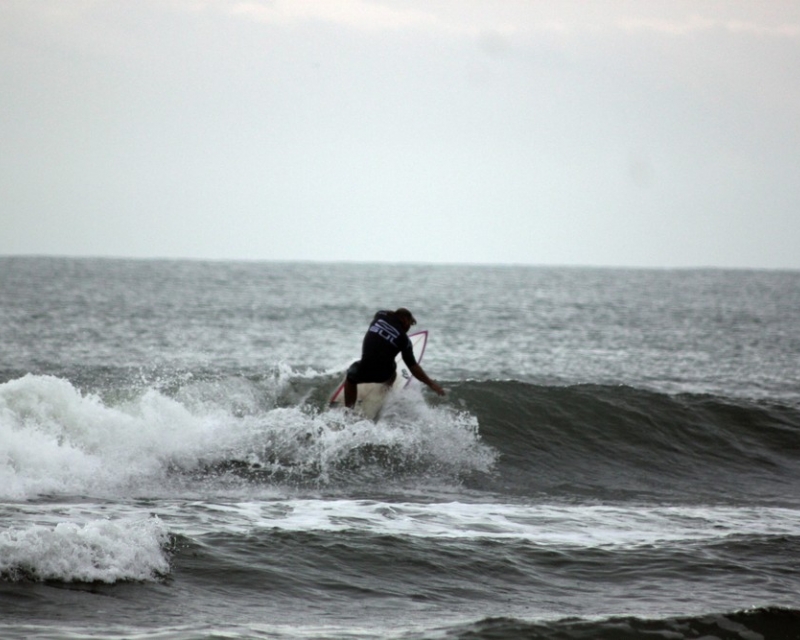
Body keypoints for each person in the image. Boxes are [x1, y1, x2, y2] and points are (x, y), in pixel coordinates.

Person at [344, 308, 445, 408]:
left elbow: (385, 312)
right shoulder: (404, 341)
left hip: (364, 368)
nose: (409, 328)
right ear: (405, 320)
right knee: (393, 371)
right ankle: (384, 394)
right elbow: (413, 367)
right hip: (383, 375)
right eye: (410, 324)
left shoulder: (380, 316)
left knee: (351, 376)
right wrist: (431, 384)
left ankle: (348, 410)